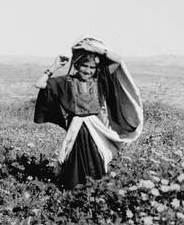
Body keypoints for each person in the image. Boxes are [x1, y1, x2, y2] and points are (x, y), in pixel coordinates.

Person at [34, 37, 143, 190]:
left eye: (92, 68)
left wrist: (97, 50)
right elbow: (39, 84)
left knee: (97, 160)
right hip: (77, 129)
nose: (88, 71)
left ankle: (96, 193)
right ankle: (74, 194)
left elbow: (118, 61)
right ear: (77, 65)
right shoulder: (66, 82)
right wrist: (54, 67)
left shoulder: (99, 80)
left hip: (96, 129)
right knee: (74, 163)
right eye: (85, 66)